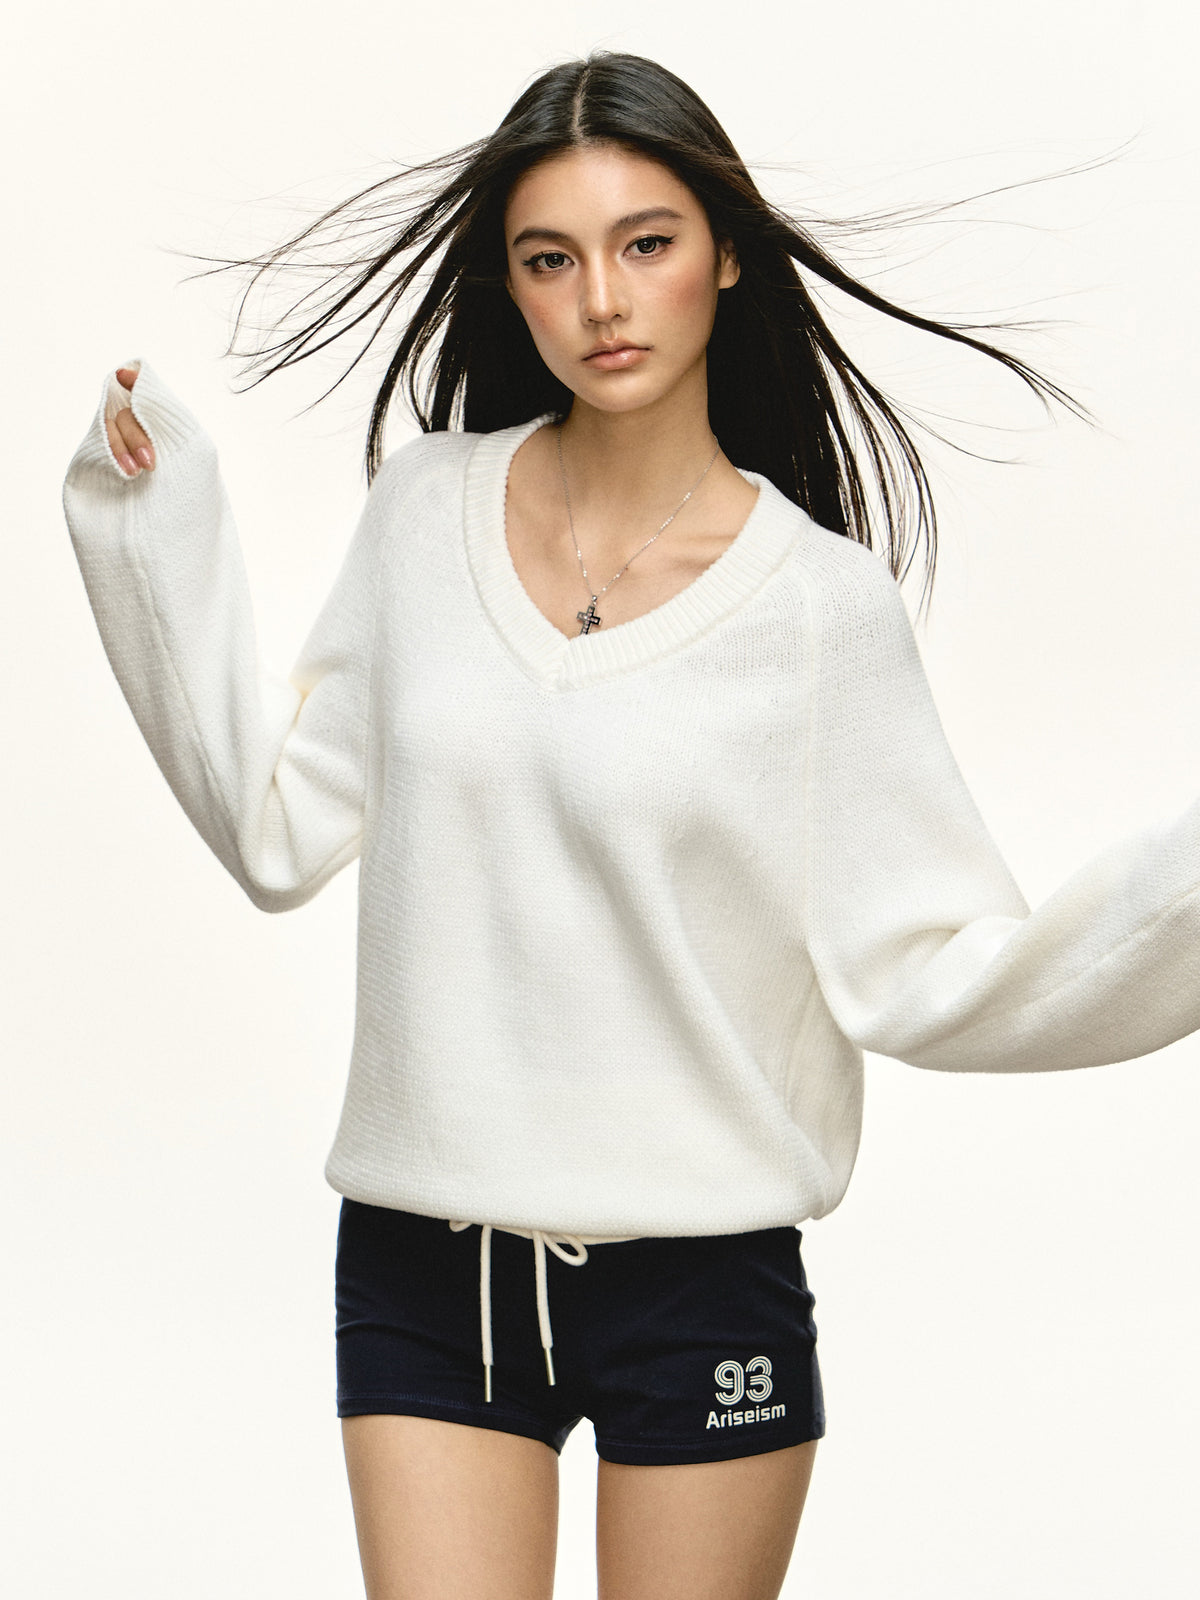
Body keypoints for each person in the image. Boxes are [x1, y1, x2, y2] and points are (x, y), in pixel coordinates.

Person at [61, 49, 1200, 1600]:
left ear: (723, 253)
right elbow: (277, 830)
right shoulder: (423, 513)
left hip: (702, 1282)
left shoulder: (819, 612)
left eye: (645, 243)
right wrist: (147, 529)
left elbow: (927, 971)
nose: (602, 298)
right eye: (552, 258)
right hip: (426, 1265)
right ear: (513, 286)